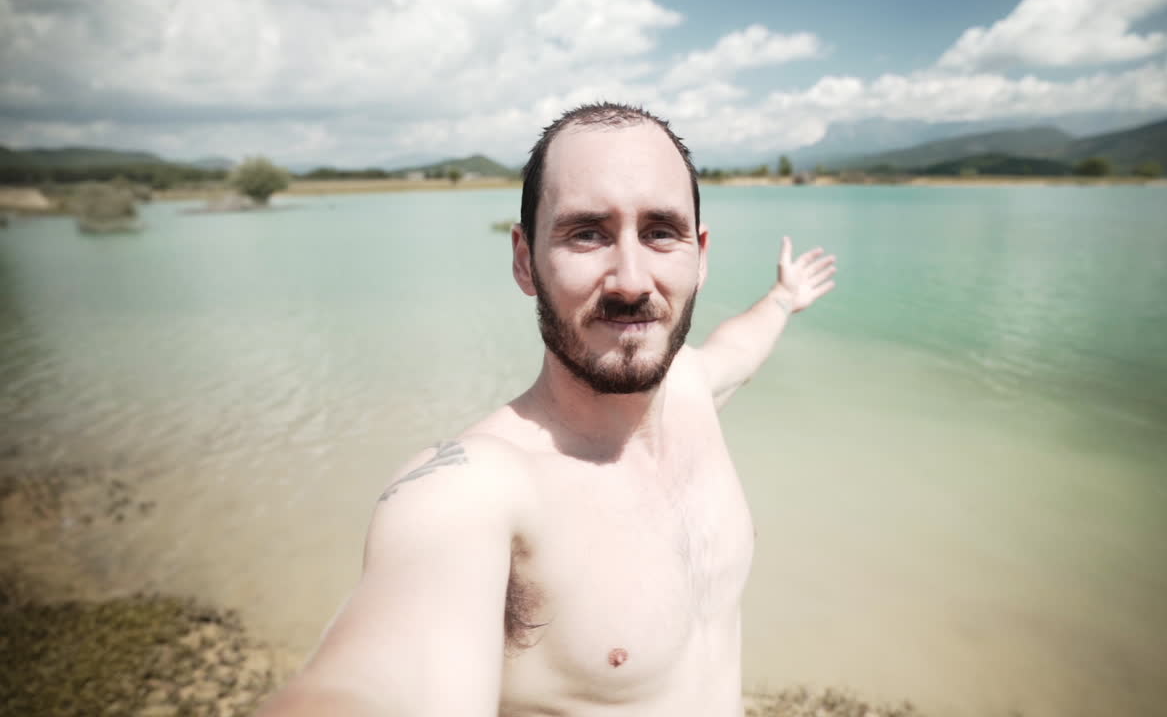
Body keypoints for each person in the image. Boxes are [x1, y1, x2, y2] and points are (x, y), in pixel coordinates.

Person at [258, 103, 837, 717]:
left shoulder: (692, 386)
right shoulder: (473, 489)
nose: (632, 281)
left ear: (701, 257)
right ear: (523, 259)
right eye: (587, 232)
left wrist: (782, 299)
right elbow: (372, 683)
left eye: (660, 231)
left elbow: (736, 349)